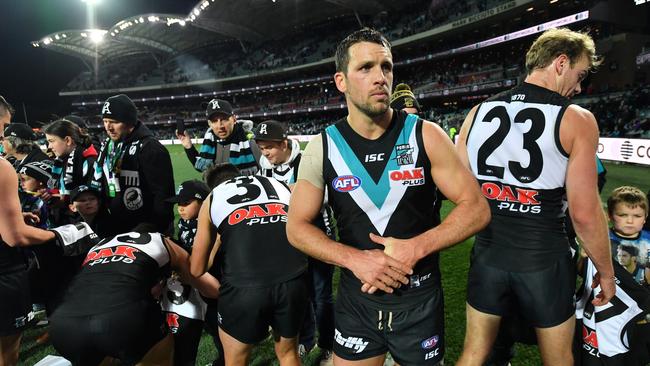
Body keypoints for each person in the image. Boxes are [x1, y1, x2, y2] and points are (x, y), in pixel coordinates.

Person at [286, 28, 490, 366]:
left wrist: (417, 247)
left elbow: (477, 208)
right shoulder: (322, 147)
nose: (380, 77)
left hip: (419, 301)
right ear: (341, 81)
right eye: (366, 68)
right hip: (356, 302)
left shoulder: (427, 135)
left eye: (386, 67)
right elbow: (296, 227)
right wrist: (354, 260)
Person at [455, 28, 616, 366]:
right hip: (544, 260)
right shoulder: (577, 118)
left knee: (473, 355)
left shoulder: (477, 112)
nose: (580, 86)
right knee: (558, 360)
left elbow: (461, 192)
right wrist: (606, 271)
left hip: (488, 256)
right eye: (580, 74)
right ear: (560, 63)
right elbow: (584, 214)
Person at [191, 163, 308, 366]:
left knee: (236, 360)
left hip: (243, 286)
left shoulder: (213, 197)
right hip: (293, 278)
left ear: (213, 186)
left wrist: (219, 235)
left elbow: (197, 269)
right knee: (289, 354)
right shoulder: (277, 183)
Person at [49, 230, 220, 366]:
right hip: (122, 317)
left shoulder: (98, 246)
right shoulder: (162, 241)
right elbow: (209, 287)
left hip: (63, 323)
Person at [253, 120, 336, 363]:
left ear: (284, 143)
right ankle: (307, 339)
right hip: (289, 238)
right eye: (262, 148)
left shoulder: (307, 160)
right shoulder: (264, 164)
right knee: (300, 293)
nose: (265, 154)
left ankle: (328, 343)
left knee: (321, 295)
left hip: (318, 233)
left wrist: (292, 194)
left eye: (269, 148)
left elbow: (326, 195)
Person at [0, 155, 93, 365]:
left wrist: (10, 219)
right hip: (5, 272)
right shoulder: (1, 167)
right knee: (6, 350)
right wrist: (61, 235)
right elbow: (16, 236)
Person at [91, 94, 175, 235]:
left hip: (146, 230)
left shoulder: (150, 147)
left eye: (114, 122)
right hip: (118, 224)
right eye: (105, 121)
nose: (108, 127)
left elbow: (163, 196)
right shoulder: (109, 145)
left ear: (129, 121)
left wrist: (152, 228)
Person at [161, 179, 215, 366]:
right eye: (178, 204)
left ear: (203, 202)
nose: (180, 209)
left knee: (216, 324)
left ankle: (227, 358)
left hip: (209, 279)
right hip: (192, 281)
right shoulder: (185, 223)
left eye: (186, 203)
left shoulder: (208, 224)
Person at [176, 98, 260, 174]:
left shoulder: (252, 143)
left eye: (224, 119)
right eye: (214, 121)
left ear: (234, 119)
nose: (220, 126)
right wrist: (188, 146)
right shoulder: (210, 142)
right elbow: (202, 167)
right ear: (209, 124)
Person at [43, 119, 98, 197]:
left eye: (51, 141)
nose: (49, 146)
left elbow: (91, 199)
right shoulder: (60, 162)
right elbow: (59, 191)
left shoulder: (89, 162)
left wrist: (64, 200)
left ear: (68, 140)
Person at [607, 186, 649, 275]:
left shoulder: (648, 240)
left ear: (645, 218)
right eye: (623, 215)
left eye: (637, 216)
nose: (630, 221)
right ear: (610, 216)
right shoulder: (602, 238)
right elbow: (582, 272)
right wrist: (584, 258)